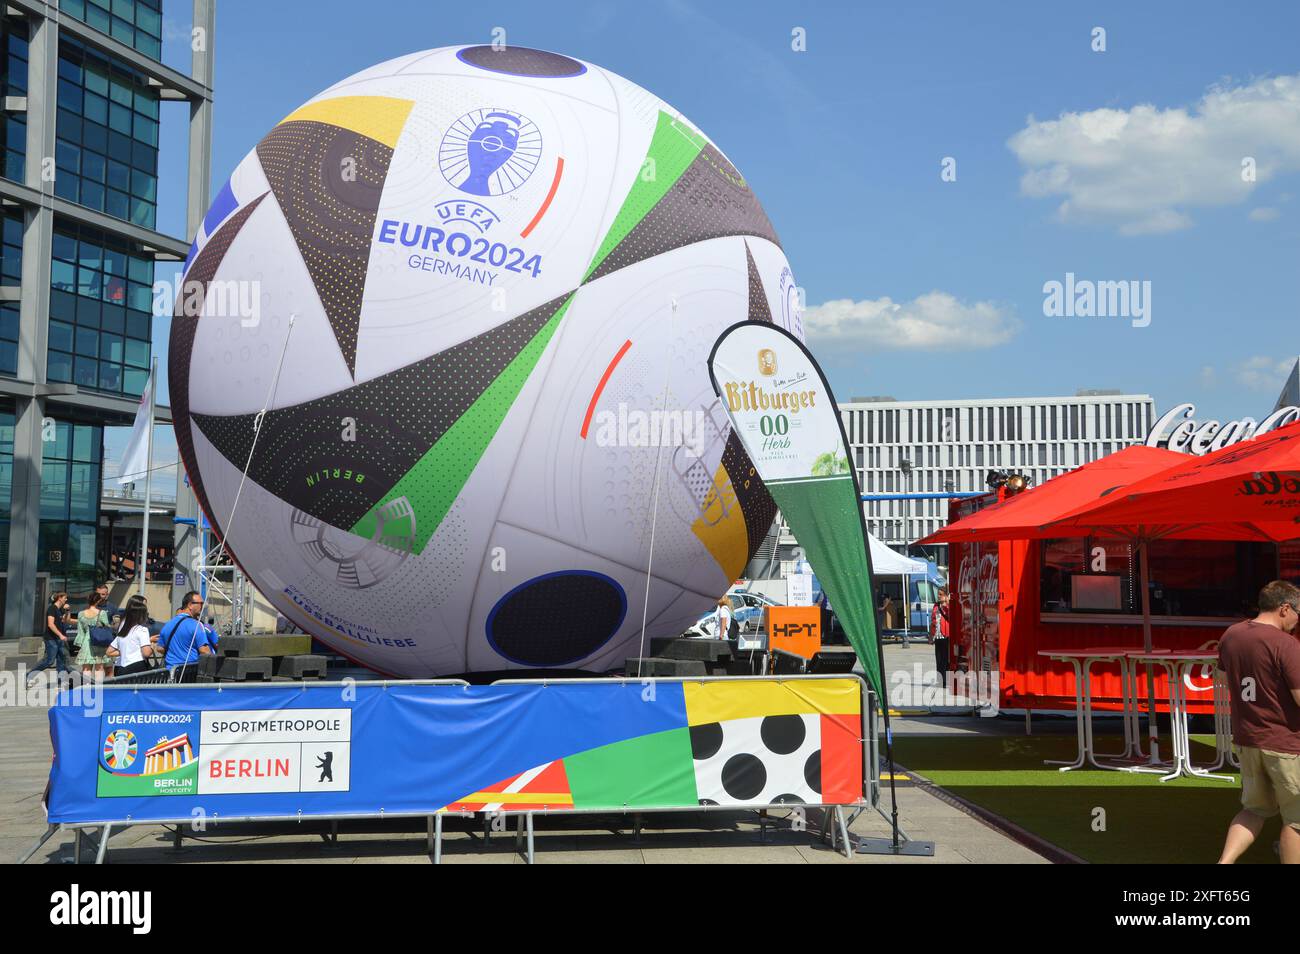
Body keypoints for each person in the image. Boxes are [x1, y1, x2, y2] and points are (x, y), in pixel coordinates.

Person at [1216, 580, 1300, 865]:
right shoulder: (1285, 643)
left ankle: (1224, 864)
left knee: (1253, 809)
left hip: (1247, 738)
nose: (1297, 621)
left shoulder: (1231, 634)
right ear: (1284, 608)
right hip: (1285, 742)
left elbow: (1222, 679)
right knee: (1296, 820)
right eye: (1298, 613)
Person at [155, 591, 216, 682]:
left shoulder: (168, 624)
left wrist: (176, 650)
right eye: (201, 603)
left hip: (169, 674)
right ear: (190, 605)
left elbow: (159, 648)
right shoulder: (196, 625)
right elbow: (204, 651)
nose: (203, 606)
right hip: (188, 673)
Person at [27, 591, 72, 685]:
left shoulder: (60, 609)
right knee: (49, 660)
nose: (66, 599)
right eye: (65, 597)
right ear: (59, 598)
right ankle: (29, 676)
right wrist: (60, 635)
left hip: (59, 638)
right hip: (51, 638)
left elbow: (66, 620)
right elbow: (50, 624)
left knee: (61, 660)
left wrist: (68, 611)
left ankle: (61, 681)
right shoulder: (52, 609)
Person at [106, 594, 155, 677]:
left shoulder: (123, 627)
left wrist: (127, 651)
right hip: (137, 666)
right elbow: (146, 653)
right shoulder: (142, 630)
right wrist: (152, 646)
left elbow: (109, 651)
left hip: (121, 667)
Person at [73, 591, 114, 679]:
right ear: (98, 601)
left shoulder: (81, 614)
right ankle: (97, 689)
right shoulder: (102, 613)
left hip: (86, 642)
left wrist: (80, 644)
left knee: (86, 668)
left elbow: (80, 632)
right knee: (99, 667)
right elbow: (106, 626)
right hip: (98, 641)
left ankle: (86, 688)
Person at [930, 586, 951, 682]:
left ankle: (947, 680)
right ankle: (940, 680)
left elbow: (951, 616)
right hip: (937, 635)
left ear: (946, 595)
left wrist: (947, 604)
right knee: (938, 659)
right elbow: (932, 621)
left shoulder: (949, 606)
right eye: (938, 594)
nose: (938, 596)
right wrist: (931, 636)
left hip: (947, 635)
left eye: (941, 594)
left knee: (946, 659)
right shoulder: (935, 605)